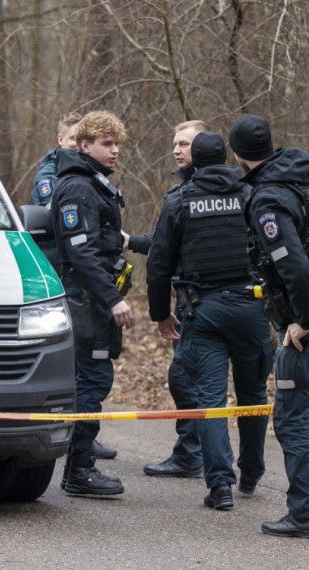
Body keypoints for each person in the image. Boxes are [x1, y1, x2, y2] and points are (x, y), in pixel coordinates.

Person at [147, 130, 272, 510]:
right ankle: (251, 472)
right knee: (252, 395)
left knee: (211, 400)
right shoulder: (252, 195)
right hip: (251, 309)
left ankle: (220, 487)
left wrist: (160, 315)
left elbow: (158, 264)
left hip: (203, 312)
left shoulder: (180, 200)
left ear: (196, 163)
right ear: (228, 157)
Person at [231, 113, 309, 537]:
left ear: (238, 155)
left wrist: (303, 320)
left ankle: (303, 514)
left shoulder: (269, 199)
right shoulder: (301, 174)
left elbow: (294, 265)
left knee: (295, 422)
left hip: (303, 333)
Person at [51, 110, 135, 495]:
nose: (114, 150)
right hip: (86, 300)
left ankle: (79, 466)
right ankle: (79, 471)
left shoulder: (93, 183)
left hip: (93, 299)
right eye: (106, 143)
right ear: (85, 146)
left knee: (92, 380)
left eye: (116, 143)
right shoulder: (78, 187)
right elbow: (81, 253)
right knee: (91, 381)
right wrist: (113, 299)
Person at [124, 120, 209, 478]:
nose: (177, 149)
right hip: (200, 297)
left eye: (185, 144)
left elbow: (166, 255)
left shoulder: (193, 194)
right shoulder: (194, 189)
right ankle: (211, 457)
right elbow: (166, 246)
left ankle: (192, 454)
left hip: (200, 303)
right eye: (175, 143)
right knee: (195, 379)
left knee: (185, 377)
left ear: (202, 147)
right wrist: (130, 242)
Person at [31, 113, 82, 270]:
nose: (79, 144)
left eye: (83, 138)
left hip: (83, 262)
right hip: (58, 265)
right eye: (74, 138)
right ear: (61, 139)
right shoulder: (47, 177)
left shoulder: (88, 172)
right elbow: (52, 214)